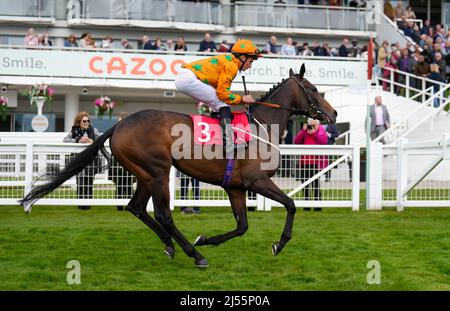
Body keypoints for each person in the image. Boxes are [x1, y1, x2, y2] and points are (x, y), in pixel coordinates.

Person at [174, 39, 261, 156]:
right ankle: (228, 143)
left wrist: (239, 99)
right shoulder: (232, 66)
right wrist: (242, 99)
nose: (250, 66)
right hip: (188, 79)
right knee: (222, 104)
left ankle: (216, 138)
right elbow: (223, 94)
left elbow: (220, 90)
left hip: (185, 77)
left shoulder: (228, 60)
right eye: (250, 61)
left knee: (218, 106)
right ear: (242, 57)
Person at [63, 112, 102, 210]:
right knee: (80, 182)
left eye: (88, 121)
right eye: (84, 121)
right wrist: (77, 141)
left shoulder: (94, 130)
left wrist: (91, 141)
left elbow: (101, 139)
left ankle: (88, 204)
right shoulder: (73, 131)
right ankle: (80, 204)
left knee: (89, 182)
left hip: (91, 160)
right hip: (78, 159)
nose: (86, 123)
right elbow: (65, 140)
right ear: (79, 122)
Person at [294, 118, 328, 211]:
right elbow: (296, 141)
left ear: (318, 125)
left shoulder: (321, 131)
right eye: (311, 125)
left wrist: (314, 133)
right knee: (305, 185)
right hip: (304, 162)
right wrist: (303, 131)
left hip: (316, 163)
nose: (312, 127)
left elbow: (323, 142)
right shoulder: (305, 132)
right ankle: (306, 205)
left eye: (314, 125)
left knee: (315, 185)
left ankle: (317, 206)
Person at [108, 112, 135, 211]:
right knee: (119, 184)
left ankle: (129, 204)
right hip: (117, 161)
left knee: (128, 183)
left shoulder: (131, 132)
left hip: (128, 161)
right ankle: (119, 205)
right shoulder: (115, 131)